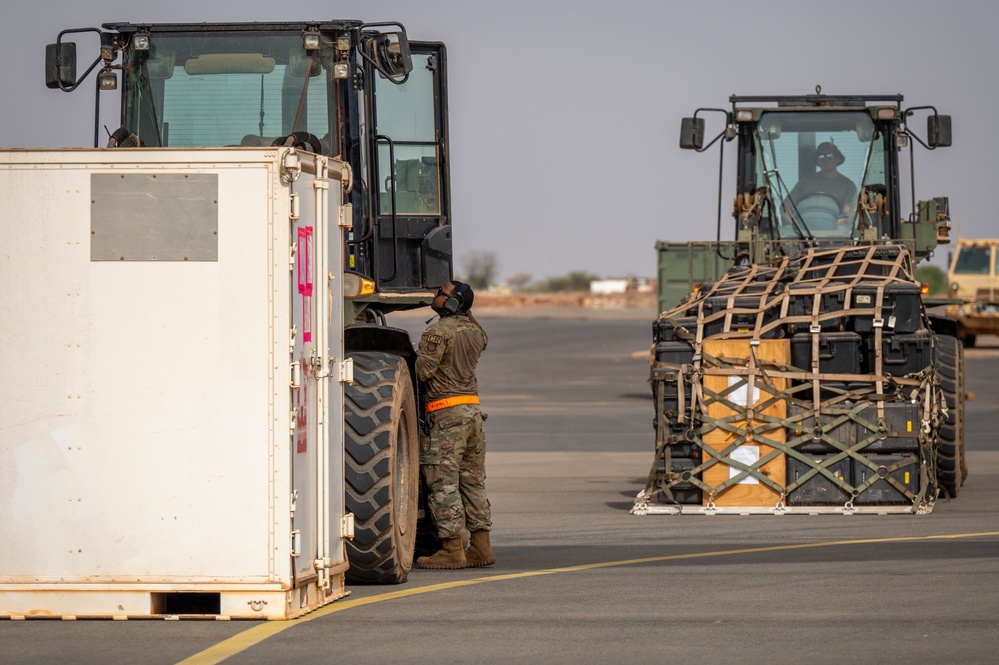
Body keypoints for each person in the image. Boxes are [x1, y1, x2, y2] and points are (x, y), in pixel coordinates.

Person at [415, 280, 495, 570]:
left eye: (441, 294)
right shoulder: (477, 332)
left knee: (443, 484)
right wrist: (464, 310)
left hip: (446, 415)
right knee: (472, 482)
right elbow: (478, 333)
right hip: (472, 413)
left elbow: (423, 371)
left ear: (451, 303)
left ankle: (452, 549)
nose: (435, 295)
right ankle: (482, 546)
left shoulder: (436, 332)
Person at [782, 141, 857, 227]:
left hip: (835, 234)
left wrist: (831, 226)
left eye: (829, 156)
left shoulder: (848, 185)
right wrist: (796, 226)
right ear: (817, 161)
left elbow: (847, 214)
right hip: (804, 233)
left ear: (838, 159)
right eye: (821, 157)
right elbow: (785, 207)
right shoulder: (805, 182)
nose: (825, 160)